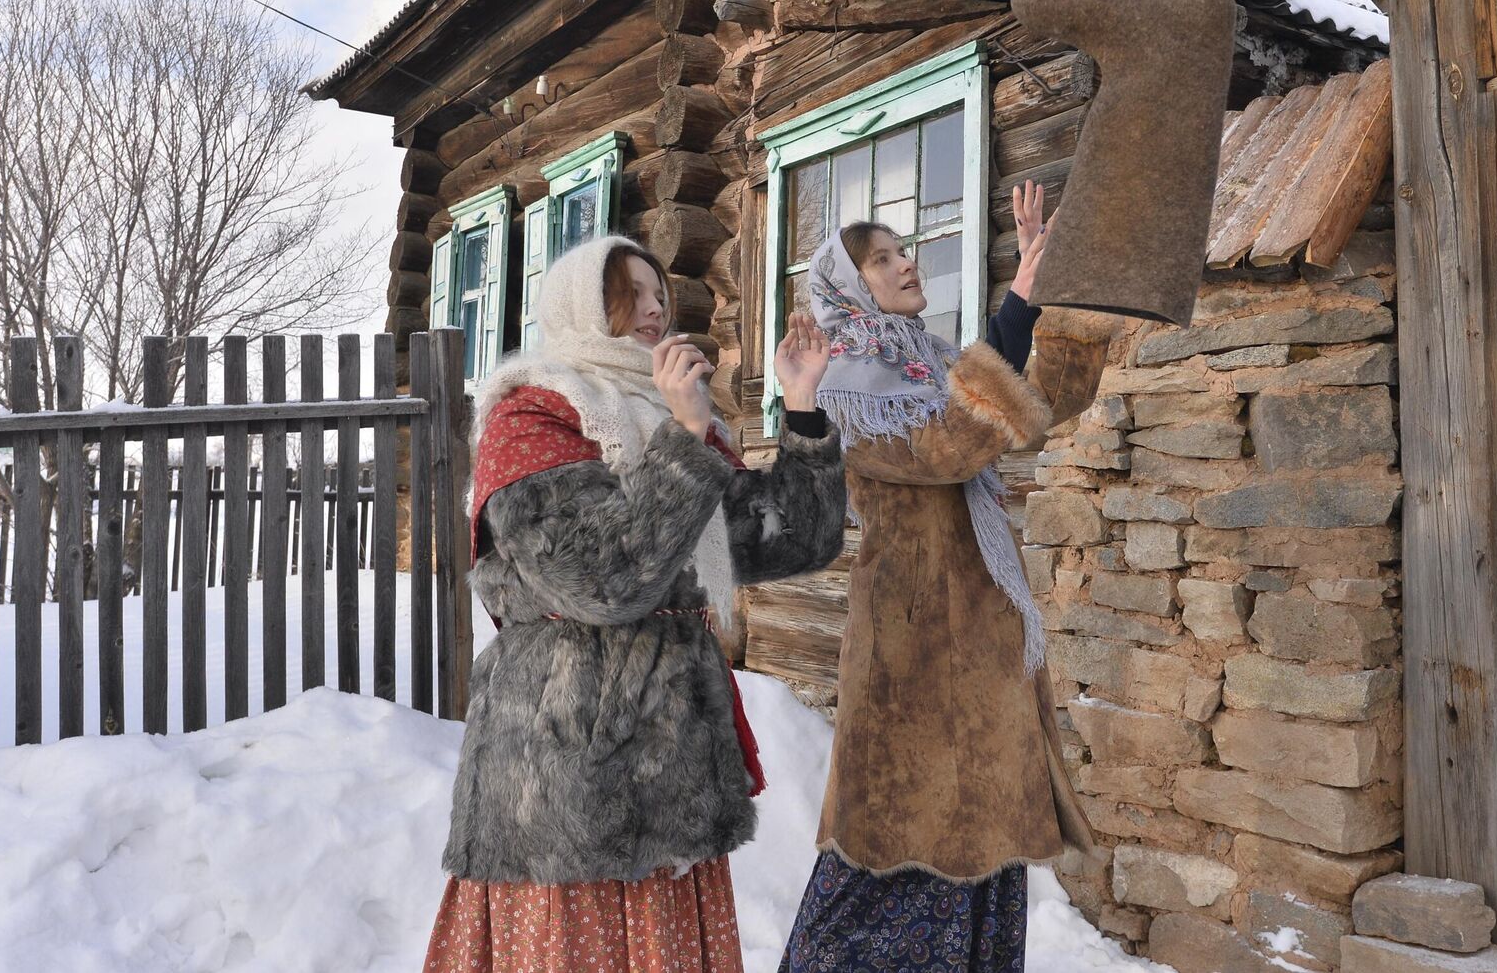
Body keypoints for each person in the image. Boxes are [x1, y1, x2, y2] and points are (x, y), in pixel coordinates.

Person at [423, 233, 847, 973]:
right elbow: (599, 579)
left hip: (675, 772)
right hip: (570, 778)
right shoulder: (530, 421)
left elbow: (791, 539)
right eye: (631, 294)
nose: (656, 310)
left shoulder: (672, 421)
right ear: (584, 307)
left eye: (660, 294)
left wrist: (805, 412)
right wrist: (683, 440)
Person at [779, 182, 1120, 972]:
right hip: (913, 668)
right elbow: (948, 444)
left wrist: (1054, 288)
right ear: (848, 286)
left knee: (984, 869)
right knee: (888, 863)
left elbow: (1029, 402)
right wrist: (1019, 303)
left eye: (905, 250)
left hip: (979, 665)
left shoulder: (928, 365)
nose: (906, 262)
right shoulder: (847, 388)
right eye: (883, 258)